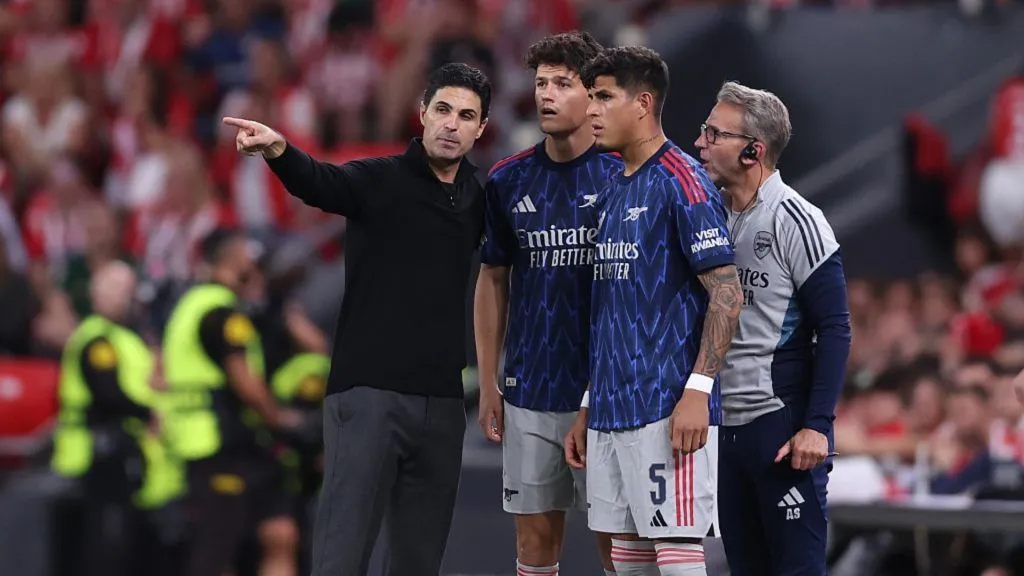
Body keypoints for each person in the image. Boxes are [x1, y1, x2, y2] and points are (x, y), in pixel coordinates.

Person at [222, 62, 492, 576]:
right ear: (422, 114)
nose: (451, 124)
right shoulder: (379, 179)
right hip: (368, 395)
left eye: (465, 116)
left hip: (441, 405)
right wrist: (279, 150)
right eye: (442, 110)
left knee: (418, 561)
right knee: (342, 553)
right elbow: (321, 182)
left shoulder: (481, 196)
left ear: (480, 129)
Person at [565, 47, 742, 576]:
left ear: (642, 103)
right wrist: (589, 400)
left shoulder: (682, 181)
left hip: (667, 408)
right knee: (626, 557)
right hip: (612, 408)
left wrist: (699, 390)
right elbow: (612, 308)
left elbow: (728, 294)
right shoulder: (614, 187)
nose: (590, 109)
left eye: (602, 97)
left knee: (676, 552)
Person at [475, 31, 621, 576]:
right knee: (534, 539)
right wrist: (490, 380)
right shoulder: (508, 180)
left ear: (593, 95)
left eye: (563, 83)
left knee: (614, 540)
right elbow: (492, 280)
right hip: (530, 387)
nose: (547, 95)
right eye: (541, 83)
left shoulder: (622, 176)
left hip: (605, 394)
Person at [694, 81, 852, 576]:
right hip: (722, 430)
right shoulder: (707, 214)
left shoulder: (797, 219)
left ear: (753, 151)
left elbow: (835, 327)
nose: (699, 142)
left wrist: (817, 426)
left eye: (713, 133)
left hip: (779, 430)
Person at [161, 229, 313, 576]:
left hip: (212, 443)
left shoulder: (189, 305)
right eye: (248, 258)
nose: (254, 266)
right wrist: (283, 420)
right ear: (232, 261)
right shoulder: (221, 313)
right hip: (218, 444)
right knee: (217, 550)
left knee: (276, 532)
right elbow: (245, 382)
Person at [51, 260, 186, 576]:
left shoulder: (127, 335)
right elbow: (109, 392)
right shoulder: (97, 339)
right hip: (97, 451)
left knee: (130, 539)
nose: (122, 298)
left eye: (126, 290)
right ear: (96, 294)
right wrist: (148, 413)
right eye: (114, 290)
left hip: (127, 448)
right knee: (107, 539)